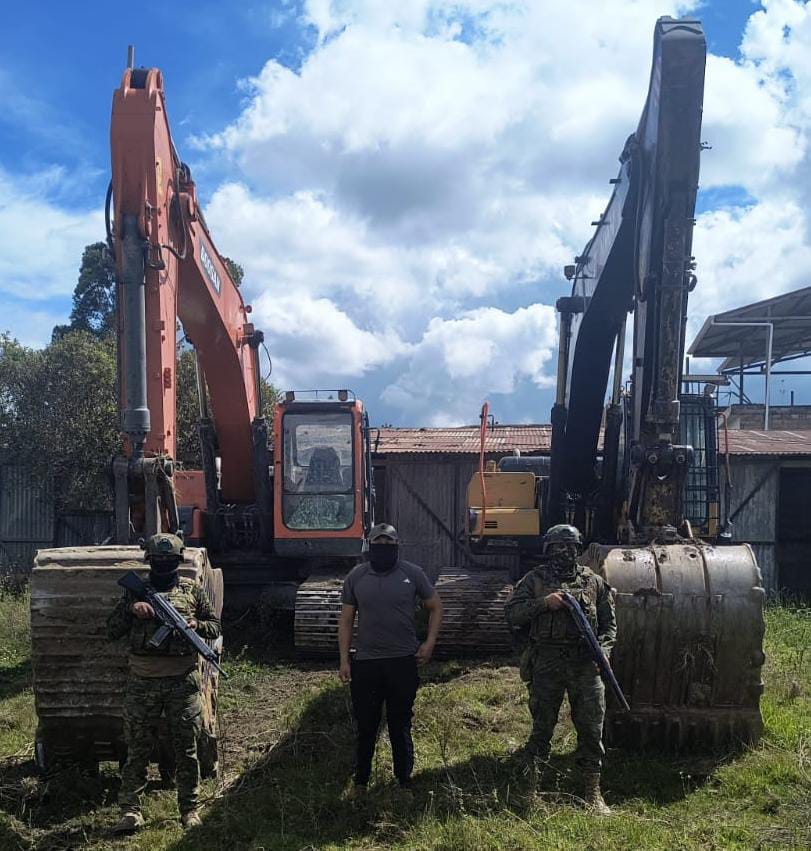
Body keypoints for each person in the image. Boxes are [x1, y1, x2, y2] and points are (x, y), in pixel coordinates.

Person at [106, 533, 221, 834]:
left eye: (169, 561)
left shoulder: (191, 591)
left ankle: (189, 809)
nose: (163, 566)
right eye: (158, 561)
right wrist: (133, 611)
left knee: (186, 748)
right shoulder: (135, 594)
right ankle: (131, 810)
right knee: (137, 749)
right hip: (142, 681)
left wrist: (195, 625)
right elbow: (111, 630)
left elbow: (215, 626)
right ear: (150, 562)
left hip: (182, 681)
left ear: (178, 562)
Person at [504, 524, 616, 815]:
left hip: (584, 665)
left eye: (568, 547)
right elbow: (513, 615)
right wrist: (544, 604)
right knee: (542, 727)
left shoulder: (594, 582)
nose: (563, 553)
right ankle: (532, 787)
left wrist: (603, 652)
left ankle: (592, 792)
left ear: (577, 550)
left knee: (592, 729)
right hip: (547, 663)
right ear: (547, 550)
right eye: (556, 547)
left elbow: (609, 625)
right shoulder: (534, 580)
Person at [338, 523, 443, 798]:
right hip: (366, 663)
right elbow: (347, 620)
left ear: (397, 546)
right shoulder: (357, 576)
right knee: (366, 725)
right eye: (378, 543)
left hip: (402, 662)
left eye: (389, 543)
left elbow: (435, 606)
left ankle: (403, 781)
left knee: (400, 722)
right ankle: (360, 782)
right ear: (370, 546)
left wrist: (429, 643)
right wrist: (344, 660)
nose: (383, 548)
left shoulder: (412, 573)